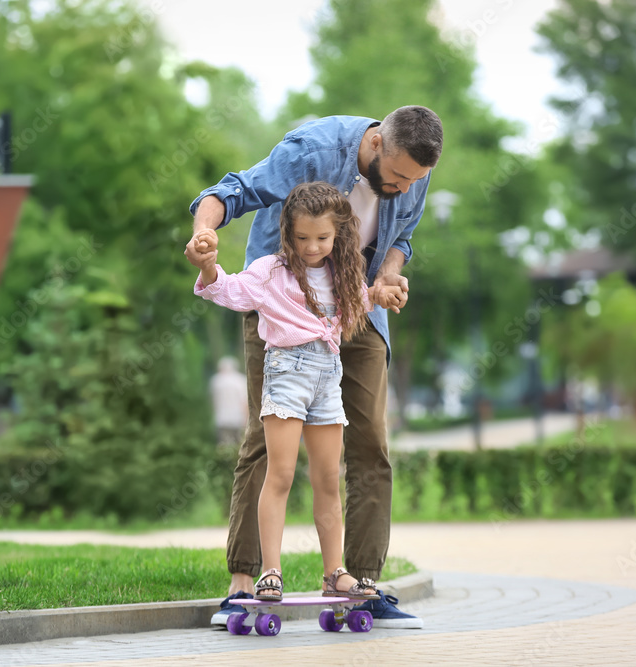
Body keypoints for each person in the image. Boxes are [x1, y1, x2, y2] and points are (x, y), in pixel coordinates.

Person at [186, 105, 443, 629]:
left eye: (414, 180)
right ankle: (244, 581)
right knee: (265, 441)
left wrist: (391, 276)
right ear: (374, 146)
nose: (401, 188)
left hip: (355, 303)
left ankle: (360, 583)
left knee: (371, 442)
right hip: (281, 306)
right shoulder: (314, 152)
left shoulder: (413, 174)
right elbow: (232, 190)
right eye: (395, 177)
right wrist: (204, 236)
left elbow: (399, 240)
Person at [190, 182, 404, 602]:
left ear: (339, 235)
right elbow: (228, 291)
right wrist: (208, 268)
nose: (311, 247)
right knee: (281, 474)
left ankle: (334, 572)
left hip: (328, 378)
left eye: (322, 238)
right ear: (288, 233)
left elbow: (359, 301)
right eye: (302, 238)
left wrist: (378, 293)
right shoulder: (271, 271)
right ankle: (270, 571)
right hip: (287, 375)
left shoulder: (343, 273)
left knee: (327, 479)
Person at [210, 356, 249, 447]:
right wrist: (246, 419)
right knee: (240, 447)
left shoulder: (216, 381)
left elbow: (213, 402)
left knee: (224, 447)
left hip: (222, 419)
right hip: (238, 418)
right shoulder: (240, 380)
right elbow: (245, 402)